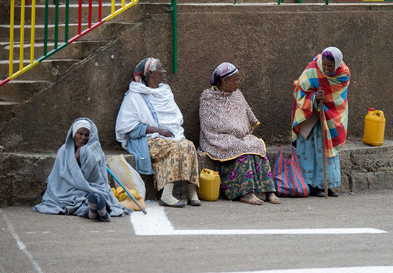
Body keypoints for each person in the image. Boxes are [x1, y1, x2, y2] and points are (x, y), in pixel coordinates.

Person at [115, 58, 200, 208]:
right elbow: (127, 127)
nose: (164, 72)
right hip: (147, 139)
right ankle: (166, 195)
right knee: (176, 148)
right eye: (161, 69)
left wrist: (174, 135)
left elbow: (175, 122)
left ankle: (191, 190)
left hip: (170, 136)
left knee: (188, 145)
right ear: (152, 74)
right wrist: (157, 130)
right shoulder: (134, 96)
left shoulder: (165, 93)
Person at [199, 62, 279, 205]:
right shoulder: (208, 97)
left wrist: (239, 132)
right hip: (218, 138)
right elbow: (210, 124)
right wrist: (233, 131)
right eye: (236, 80)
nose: (239, 83)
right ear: (225, 81)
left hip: (239, 136)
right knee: (241, 148)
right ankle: (245, 193)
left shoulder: (237, 94)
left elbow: (246, 115)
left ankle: (269, 191)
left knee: (257, 144)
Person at [34, 118, 130, 221]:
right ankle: (95, 212)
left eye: (87, 135)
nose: (83, 138)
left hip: (91, 186)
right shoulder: (63, 151)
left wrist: (87, 154)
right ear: (74, 133)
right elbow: (60, 177)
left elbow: (95, 178)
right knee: (81, 200)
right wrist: (74, 159)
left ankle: (97, 211)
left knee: (95, 196)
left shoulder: (94, 151)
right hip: (68, 189)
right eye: (80, 134)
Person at [291, 47, 350, 197]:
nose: (326, 68)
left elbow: (337, 96)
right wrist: (314, 98)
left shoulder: (343, 74)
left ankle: (327, 186)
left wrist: (325, 99)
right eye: (324, 65)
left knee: (326, 151)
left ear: (337, 64)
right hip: (310, 117)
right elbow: (300, 89)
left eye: (330, 66)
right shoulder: (313, 68)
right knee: (310, 151)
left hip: (330, 118)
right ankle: (310, 185)